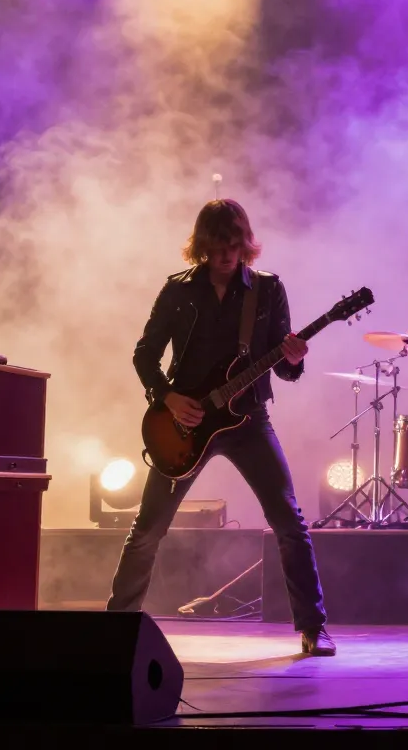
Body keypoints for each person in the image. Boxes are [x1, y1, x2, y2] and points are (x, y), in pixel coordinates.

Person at [108, 199, 333, 656]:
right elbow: (144, 355)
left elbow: (283, 369)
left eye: (234, 244)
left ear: (245, 243)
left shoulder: (267, 289)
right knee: (148, 528)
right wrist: (168, 398)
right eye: (218, 245)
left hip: (249, 419)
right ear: (203, 245)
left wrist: (293, 359)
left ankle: (313, 627)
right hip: (185, 423)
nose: (227, 254)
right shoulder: (177, 290)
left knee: (289, 521)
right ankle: (115, 627)